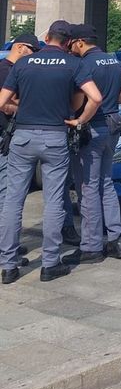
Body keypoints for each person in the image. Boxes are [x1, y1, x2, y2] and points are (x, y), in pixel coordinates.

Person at [0, 20, 102, 284]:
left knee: (13, 200)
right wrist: (79, 120)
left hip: (22, 136)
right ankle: (50, 263)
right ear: (68, 42)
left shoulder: (23, 63)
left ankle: (8, 266)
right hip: (55, 136)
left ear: (46, 38)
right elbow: (95, 97)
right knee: (54, 200)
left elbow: (2, 101)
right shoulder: (73, 64)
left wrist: (26, 107)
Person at [62, 24, 121, 265]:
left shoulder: (83, 65)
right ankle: (116, 239)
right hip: (114, 126)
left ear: (80, 42)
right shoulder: (115, 62)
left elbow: (79, 101)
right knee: (106, 183)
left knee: (88, 187)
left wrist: (78, 118)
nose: (69, 47)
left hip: (92, 128)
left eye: (71, 43)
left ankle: (91, 247)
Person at [0, 33, 41, 266]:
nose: (34, 56)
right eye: (33, 51)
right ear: (20, 47)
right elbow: (5, 104)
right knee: (7, 195)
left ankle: (8, 243)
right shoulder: (8, 71)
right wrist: (31, 108)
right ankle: (6, 250)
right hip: (5, 138)